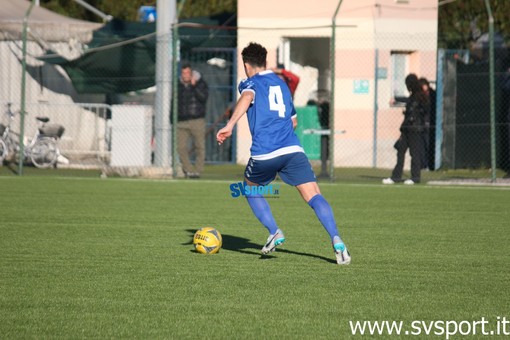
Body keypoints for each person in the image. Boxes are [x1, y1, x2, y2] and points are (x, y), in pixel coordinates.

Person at [216, 42, 351, 265]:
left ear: (246, 64)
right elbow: (294, 121)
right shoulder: (282, 85)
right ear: (266, 62)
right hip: (292, 150)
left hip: (265, 152)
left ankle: (274, 231)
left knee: (249, 188)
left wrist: (230, 125)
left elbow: (247, 97)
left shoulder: (249, 82)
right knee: (314, 195)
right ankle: (337, 240)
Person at [383, 73, 430, 185]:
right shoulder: (413, 96)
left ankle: (415, 177)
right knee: (400, 151)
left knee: (414, 154)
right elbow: (407, 102)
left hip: (415, 130)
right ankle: (396, 176)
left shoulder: (420, 96)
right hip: (406, 129)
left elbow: (422, 111)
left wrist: (414, 115)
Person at [177, 63, 209, 178]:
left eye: (187, 73)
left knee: (200, 146)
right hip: (181, 121)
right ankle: (189, 170)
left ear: (191, 74)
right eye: (183, 73)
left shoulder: (201, 83)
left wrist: (194, 86)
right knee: (180, 147)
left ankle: (198, 170)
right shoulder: (178, 85)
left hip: (197, 120)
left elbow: (203, 98)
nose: (185, 75)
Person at [419, 77, 436, 171]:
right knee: (422, 146)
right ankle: (423, 165)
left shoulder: (433, 95)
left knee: (429, 145)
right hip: (422, 125)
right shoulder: (420, 96)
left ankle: (430, 165)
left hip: (430, 124)